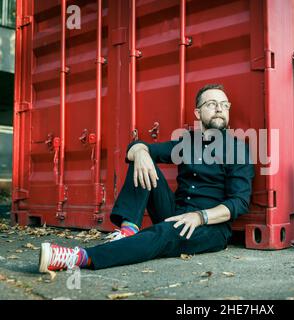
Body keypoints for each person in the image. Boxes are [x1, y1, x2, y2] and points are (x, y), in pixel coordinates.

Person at [38, 84, 255, 272]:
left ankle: (80, 257)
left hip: (210, 228)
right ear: (197, 113)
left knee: (161, 233)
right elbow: (135, 148)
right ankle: (128, 229)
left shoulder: (238, 149)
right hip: (175, 213)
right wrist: (141, 152)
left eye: (224, 104)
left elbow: (239, 202)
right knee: (141, 159)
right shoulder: (186, 143)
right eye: (212, 104)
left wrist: (199, 217)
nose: (220, 109)